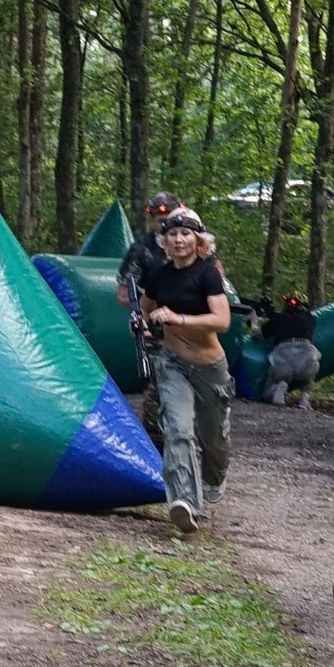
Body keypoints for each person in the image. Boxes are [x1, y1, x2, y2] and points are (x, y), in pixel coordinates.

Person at [139, 207, 233, 534]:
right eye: (173, 234)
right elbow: (146, 308)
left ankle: (214, 477)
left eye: (186, 233)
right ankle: (184, 503)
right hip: (172, 363)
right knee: (178, 430)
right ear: (164, 240)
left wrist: (178, 318)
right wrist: (145, 326)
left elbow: (222, 321)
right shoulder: (158, 274)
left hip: (209, 366)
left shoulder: (207, 274)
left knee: (214, 438)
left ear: (198, 239)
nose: (179, 240)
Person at [112, 192, 183, 309]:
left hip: (194, 321)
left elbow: (216, 278)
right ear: (152, 220)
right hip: (155, 320)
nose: (167, 226)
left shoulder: (194, 244)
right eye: (162, 221)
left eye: (171, 221)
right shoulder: (142, 249)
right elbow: (124, 296)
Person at [259, 294, 320, 408]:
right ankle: (304, 399)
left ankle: (280, 388)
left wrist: (254, 320)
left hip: (283, 354)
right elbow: (294, 322)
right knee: (308, 377)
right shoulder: (311, 319)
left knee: (274, 381)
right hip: (306, 354)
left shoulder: (278, 319)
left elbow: (259, 333)